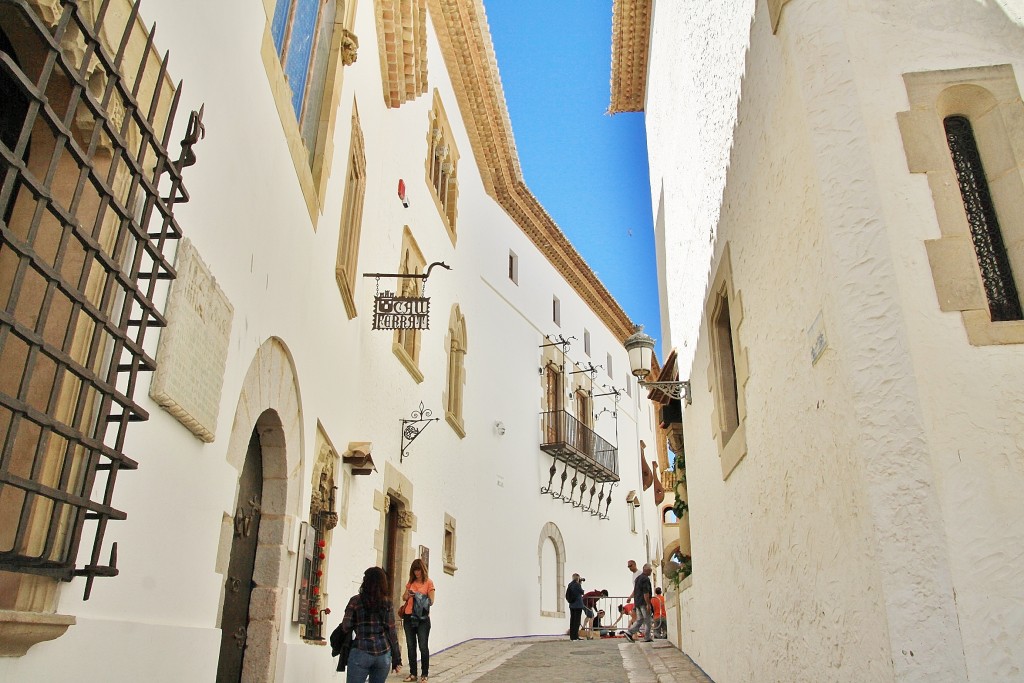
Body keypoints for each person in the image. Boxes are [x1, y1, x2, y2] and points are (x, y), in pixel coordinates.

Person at [339, 567, 402, 683]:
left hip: (361, 650)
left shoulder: (355, 601)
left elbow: (345, 626)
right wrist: (397, 658)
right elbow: (392, 632)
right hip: (383, 653)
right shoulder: (387, 603)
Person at [400, 559, 435, 682]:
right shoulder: (411, 582)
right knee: (410, 646)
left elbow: (431, 601)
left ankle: (424, 674)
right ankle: (413, 673)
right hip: (409, 617)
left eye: (418, 570)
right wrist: (409, 595)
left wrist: (418, 594)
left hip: (422, 619)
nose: (417, 572)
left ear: (422, 570)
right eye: (415, 570)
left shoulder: (429, 583)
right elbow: (403, 597)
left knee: (423, 646)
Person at [624, 563, 654, 643]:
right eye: (650, 570)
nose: (651, 572)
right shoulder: (645, 579)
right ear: (647, 570)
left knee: (640, 620)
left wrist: (633, 600)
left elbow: (636, 590)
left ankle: (629, 632)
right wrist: (648, 604)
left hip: (637, 602)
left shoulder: (638, 578)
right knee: (648, 620)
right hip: (643, 603)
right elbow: (646, 592)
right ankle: (647, 637)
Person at [565, 572, 585, 640]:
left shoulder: (570, 584)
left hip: (572, 605)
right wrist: (580, 584)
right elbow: (582, 592)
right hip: (578, 605)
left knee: (572, 621)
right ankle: (575, 637)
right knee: (577, 621)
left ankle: (572, 636)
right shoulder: (577, 585)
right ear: (578, 578)